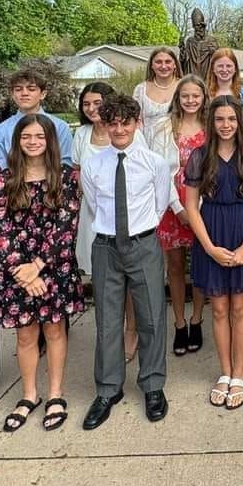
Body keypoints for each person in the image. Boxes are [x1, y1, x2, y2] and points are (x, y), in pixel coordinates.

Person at [80, 94, 170, 430]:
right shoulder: (93, 164)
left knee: (151, 317)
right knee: (107, 318)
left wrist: (138, 233)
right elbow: (93, 205)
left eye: (125, 122)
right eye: (112, 122)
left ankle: (152, 385)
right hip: (105, 247)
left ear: (137, 124)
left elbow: (160, 205)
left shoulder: (153, 163)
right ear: (104, 124)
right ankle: (107, 389)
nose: (119, 129)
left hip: (142, 244)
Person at [0, 114, 84, 432]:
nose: (33, 142)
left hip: (54, 267)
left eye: (39, 137)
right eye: (26, 137)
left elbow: (66, 226)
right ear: (17, 141)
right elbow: (0, 227)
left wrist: (39, 267)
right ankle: (29, 395)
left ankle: (55, 393)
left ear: (50, 141)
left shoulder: (67, 176)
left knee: (55, 331)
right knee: (26, 333)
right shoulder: (3, 179)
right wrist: (23, 271)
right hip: (17, 269)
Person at [182, 96, 243, 411]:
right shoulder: (199, 157)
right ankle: (225, 372)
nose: (226, 125)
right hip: (212, 233)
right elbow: (191, 206)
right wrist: (208, 248)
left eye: (231, 119)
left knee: (240, 309)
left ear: (239, 121)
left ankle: (240, 375)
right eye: (220, 119)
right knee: (218, 309)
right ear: (212, 122)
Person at [72, 82, 148, 362]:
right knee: (106, 281)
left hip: (131, 218)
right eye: (87, 104)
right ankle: (110, 336)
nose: (92, 108)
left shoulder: (130, 132)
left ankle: (132, 330)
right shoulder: (81, 134)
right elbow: (80, 176)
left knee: (130, 281)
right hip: (97, 218)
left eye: (97, 103)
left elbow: (148, 180)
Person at [151, 75, 208, 356]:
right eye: (185, 95)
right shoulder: (163, 128)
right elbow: (160, 173)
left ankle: (197, 319)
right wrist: (179, 208)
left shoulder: (211, 126)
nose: (190, 100)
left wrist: (197, 209)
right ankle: (179, 322)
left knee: (199, 265)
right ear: (178, 98)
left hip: (203, 205)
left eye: (195, 95)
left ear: (203, 97)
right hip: (172, 205)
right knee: (174, 267)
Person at [0, 69, 74, 168]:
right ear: (12, 94)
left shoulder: (60, 127)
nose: (24, 93)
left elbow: (66, 163)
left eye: (31, 89)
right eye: (18, 89)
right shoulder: (0, 131)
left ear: (43, 94)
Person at [133, 47, 181, 145]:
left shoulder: (184, 87)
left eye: (168, 62)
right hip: (148, 146)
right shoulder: (140, 90)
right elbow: (135, 122)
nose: (163, 66)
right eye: (158, 62)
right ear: (151, 65)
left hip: (178, 144)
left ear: (175, 64)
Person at [180, 7, 219, 80]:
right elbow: (185, 61)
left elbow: (218, 57)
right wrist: (182, 51)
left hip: (207, 77)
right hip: (193, 76)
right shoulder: (190, 41)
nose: (198, 28)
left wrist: (213, 51)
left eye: (200, 25)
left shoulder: (211, 41)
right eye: (196, 26)